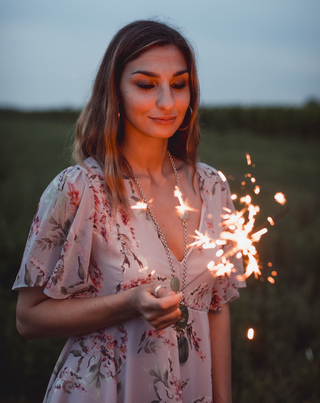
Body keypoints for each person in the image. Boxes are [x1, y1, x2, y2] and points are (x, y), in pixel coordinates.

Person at [13, 20, 245, 403]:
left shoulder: (213, 187)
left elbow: (216, 307)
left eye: (179, 84)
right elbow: (28, 318)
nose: (167, 102)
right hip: (107, 389)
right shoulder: (79, 189)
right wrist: (128, 303)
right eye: (146, 84)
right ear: (116, 92)